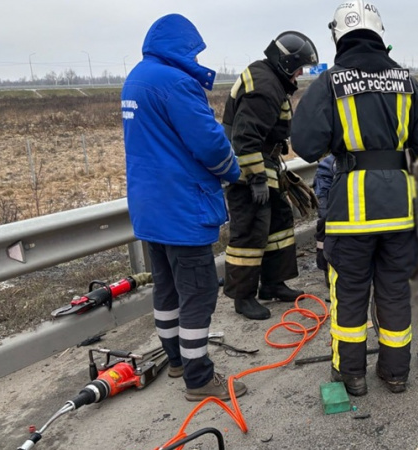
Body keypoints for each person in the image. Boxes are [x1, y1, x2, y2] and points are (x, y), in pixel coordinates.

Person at [291, 1, 418, 396]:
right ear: (379, 34)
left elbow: (305, 144)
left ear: (338, 36)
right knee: (394, 290)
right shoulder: (406, 81)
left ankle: (351, 375)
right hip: (399, 211)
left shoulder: (330, 82)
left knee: (350, 293)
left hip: (351, 215)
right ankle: (396, 373)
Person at [121, 14, 246, 402]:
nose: (195, 57)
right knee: (198, 293)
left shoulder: (136, 78)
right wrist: (233, 171)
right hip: (181, 208)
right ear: (180, 46)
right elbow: (209, 142)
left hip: (150, 208)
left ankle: (176, 361)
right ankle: (199, 378)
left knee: (167, 289)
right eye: (193, 50)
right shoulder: (175, 83)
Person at [221, 32, 318, 320]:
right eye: (299, 67)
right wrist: (257, 180)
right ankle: (243, 297)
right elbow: (245, 137)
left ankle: (273, 283)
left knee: (279, 222)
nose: (300, 73)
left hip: (265, 164)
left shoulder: (270, 78)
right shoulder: (265, 86)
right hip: (249, 171)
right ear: (286, 63)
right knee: (251, 230)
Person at [313, 154, 336, 288]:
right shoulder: (329, 164)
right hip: (334, 214)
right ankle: (326, 269)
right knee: (324, 228)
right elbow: (322, 194)